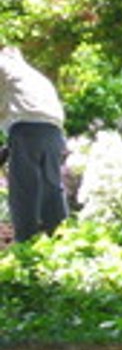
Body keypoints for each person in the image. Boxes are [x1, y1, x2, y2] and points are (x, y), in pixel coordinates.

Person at [0, 46, 70, 243]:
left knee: (23, 192)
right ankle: (60, 242)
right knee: (51, 189)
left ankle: (25, 248)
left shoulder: (2, 65)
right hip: (53, 131)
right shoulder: (32, 74)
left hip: (27, 130)